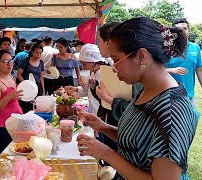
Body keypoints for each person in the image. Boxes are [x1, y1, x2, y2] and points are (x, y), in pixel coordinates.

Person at [77, 17, 198, 179]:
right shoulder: (147, 91)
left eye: (116, 60)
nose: (113, 68)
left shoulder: (171, 111)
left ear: (141, 56)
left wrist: (107, 153)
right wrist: (103, 127)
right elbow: (137, 141)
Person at [0, 50, 23, 162]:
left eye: (10, 60)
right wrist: (9, 97)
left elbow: (13, 98)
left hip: (12, 122)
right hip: (0, 125)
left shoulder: (10, 76)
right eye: (5, 61)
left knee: (11, 152)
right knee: (0, 154)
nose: (9, 63)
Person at [165, 18, 202, 103]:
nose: (182, 31)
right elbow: (156, 70)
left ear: (189, 30)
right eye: (179, 30)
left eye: (185, 29)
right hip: (169, 98)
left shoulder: (195, 47)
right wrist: (171, 70)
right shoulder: (167, 48)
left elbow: (199, 70)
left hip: (189, 97)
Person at [17, 43, 45, 113]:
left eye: (40, 53)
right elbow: (19, 74)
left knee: (36, 107)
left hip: (37, 86)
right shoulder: (26, 61)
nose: (38, 55)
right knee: (26, 107)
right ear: (32, 52)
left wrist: (43, 90)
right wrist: (26, 84)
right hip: (27, 87)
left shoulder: (41, 63)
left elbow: (41, 77)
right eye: (37, 53)